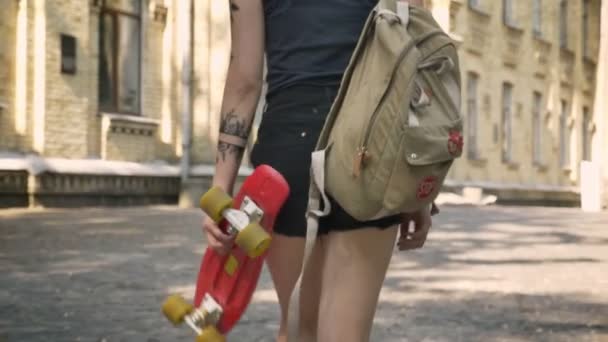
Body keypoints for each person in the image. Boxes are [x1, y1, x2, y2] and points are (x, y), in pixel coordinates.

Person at [203, 1, 433, 341]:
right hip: (370, 151)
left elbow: (244, 82)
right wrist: (419, 188)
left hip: (288, 155)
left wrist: (220, 188)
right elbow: (417, 66)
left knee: (297, 329)